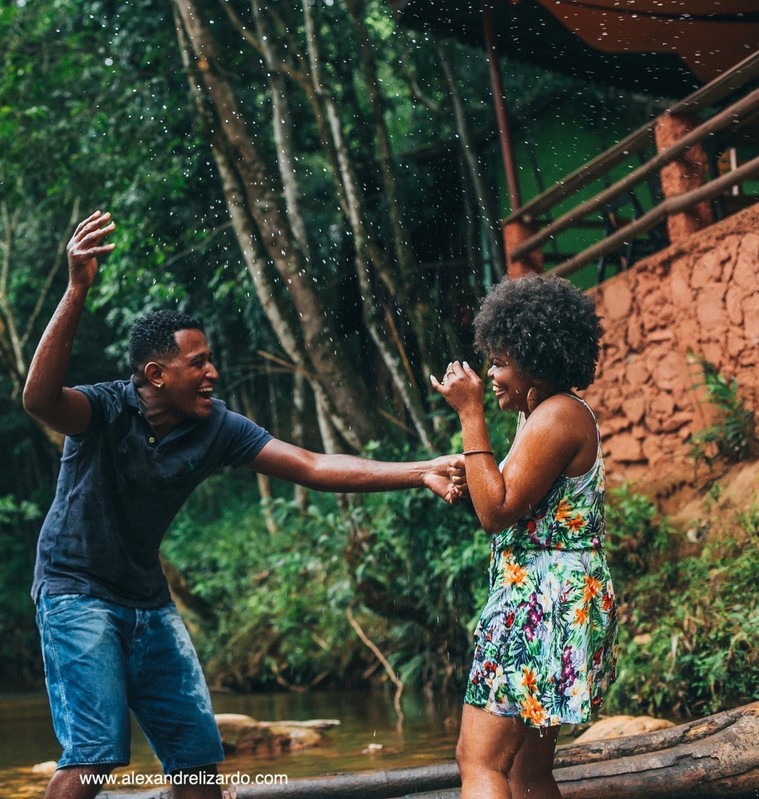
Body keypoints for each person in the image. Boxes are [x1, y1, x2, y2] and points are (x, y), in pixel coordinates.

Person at [23, 210, 462, 799]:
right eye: (197, 362)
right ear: (155, 374)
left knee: (198, 762)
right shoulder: (104, 411)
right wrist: (76, 288)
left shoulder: (216, 427)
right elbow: (40, 399)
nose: (212, 372)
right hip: (75, 590)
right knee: (95, 757)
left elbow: (311, 465)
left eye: (210, 360)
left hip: (146, 601)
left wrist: (421, 470)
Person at [430, 274, 618, 799]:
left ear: (538, 358)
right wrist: (462, 487)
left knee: (480, 762)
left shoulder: (557, 416)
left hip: (540, 602)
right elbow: (510, 502)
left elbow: (499, 513)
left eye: (501, 362)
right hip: (550, 599)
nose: (491, 375)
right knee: (524, 773)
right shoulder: (542, 414)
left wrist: (470, 413)